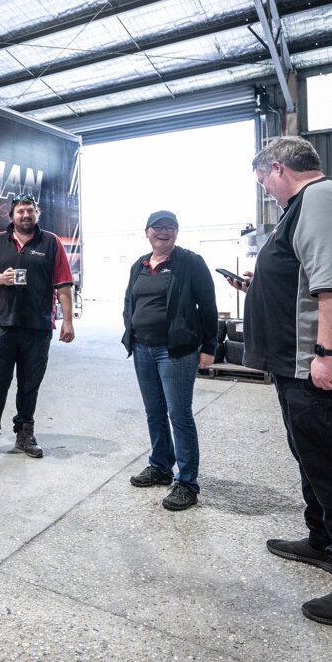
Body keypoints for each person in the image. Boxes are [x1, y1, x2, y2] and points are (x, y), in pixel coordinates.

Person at [227, 136, 332, 626]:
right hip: (298, 365)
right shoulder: (307, 206)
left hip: (315, 369)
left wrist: (326, 355)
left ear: (278, 169)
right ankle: (322, 541)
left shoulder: (319, 198)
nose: (265, 190)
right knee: (313, 460)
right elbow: (306, 277)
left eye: (263, 181)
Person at [0, 193, 75, 460]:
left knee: (29, 383)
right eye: (20, 211)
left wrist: (67, 321)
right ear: (11, 216)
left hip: (37, 327)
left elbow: (64, 284)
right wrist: (1, 278)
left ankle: (25, 433)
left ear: (38, 213)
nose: (25, 215)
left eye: (30, 210)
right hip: (3, 325)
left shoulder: (51, 242)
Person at [121, 210, 217, 511]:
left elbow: (208, 307)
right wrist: (132, 331)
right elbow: (129, 301)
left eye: (170, 227)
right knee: (154, 412)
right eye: (157, 227)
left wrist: (209, 347)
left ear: (176, 232)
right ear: (147, 232)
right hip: (142, 349)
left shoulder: (190, 262)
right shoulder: (140, 264)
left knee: (179, 414)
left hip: (175, 350)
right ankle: (161, 466)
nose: (164, 231)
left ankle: (187, 482)